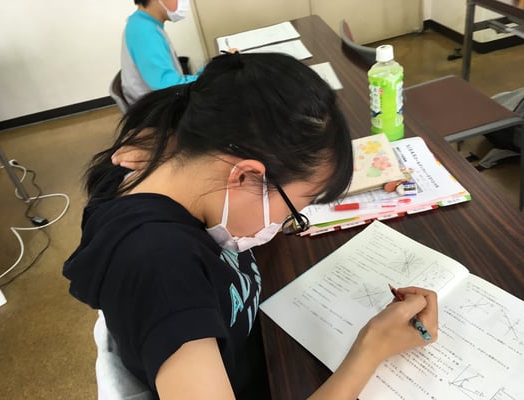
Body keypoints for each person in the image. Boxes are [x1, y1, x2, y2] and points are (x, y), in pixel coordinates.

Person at [63, 52, 438, 400]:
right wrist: (371, 348)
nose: (284, 224)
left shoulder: (169, 158)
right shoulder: (161, 271)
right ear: (244, 177)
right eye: (293, 210)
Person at [122, 0, 200, 104]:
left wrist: (205, 73)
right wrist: (207, 77)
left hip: (161, 100)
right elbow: (168, 87)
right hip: (158, 107)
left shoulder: (145, 23)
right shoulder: (144, 30)